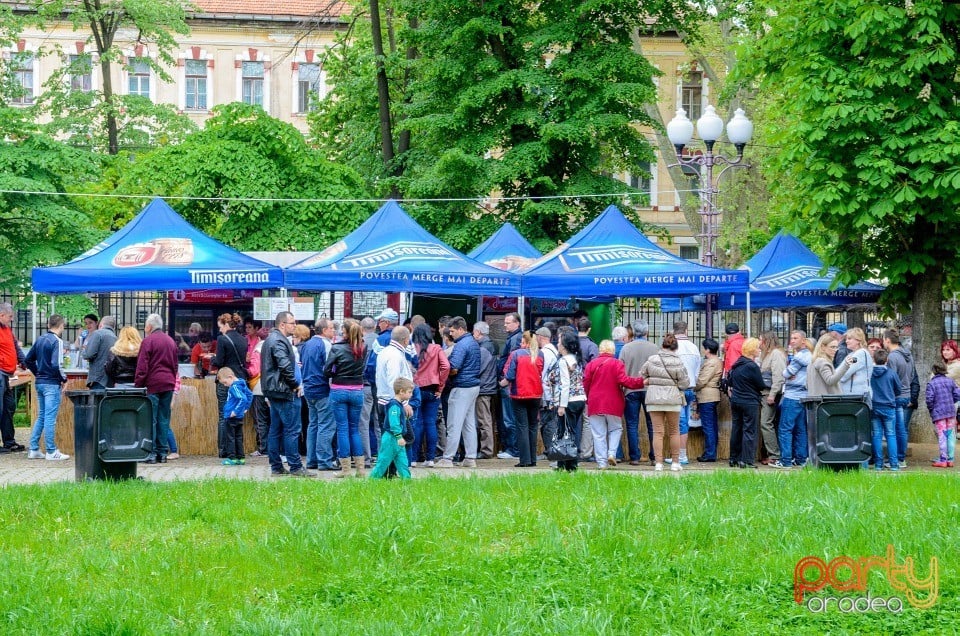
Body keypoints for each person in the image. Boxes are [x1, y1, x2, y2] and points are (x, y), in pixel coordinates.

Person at [583, 339, 644, 470]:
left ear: (600, 350)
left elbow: (586, 383)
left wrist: (588, 398)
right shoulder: (617, 364)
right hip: (613, 402)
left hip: (595, 402)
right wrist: (641, 381)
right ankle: (611, 453)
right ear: (613, 350)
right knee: (615, 429)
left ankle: (601, 463)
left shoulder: (591, 364)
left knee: (598, 434)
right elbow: (624, 381)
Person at [262, 311, 307, 477]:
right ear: (282, 324)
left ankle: (276, 466)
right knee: (292, 430)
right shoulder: (279, 341)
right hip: (284, 391)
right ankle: (295, 466)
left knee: (276, 429)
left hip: (274, 391)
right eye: (292, 323)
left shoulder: (271, 339)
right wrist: (295, 384)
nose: (294, 326)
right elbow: (285, 367)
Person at [640, 333, 690, 472]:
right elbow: (685, 383)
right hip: (673, 399)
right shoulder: (678, 361)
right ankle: (675, 463)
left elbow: (642, 375)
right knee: (674, 431)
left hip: (654, 398)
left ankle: (658, 463)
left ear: (662, 345)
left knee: (658, 432)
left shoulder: (652, 359)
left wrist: (652, 380)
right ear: (675, 348)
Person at [325, 319, 367, 478]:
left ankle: (346, 470)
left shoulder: (336, 348)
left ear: (346, 332)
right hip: (357, 390)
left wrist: (336, 372)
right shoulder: (363, 347)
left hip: (339, 390)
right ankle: (361, 470)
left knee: (342, 429)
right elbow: (363, 367)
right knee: (354, 429)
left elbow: (326, 370)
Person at [437, 317, 481, 468]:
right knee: (469, 423)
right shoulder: (473, 343)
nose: (451, 334)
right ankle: (470, 458)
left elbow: (453, 368)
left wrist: (442, 370)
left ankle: (447, 458)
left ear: (461, 329)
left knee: (454, 424)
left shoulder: (461, 345)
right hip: (474, 386)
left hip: (461, 387)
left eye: (453, 331)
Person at [135, 313, 178, 464]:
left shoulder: (148, 341)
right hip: (168, 384)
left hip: (152, 385)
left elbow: (142, 366)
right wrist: (171, 381)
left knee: (150, 419)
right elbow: (175, 365)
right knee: (164, 419)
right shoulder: (171, 341)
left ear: (149, 326)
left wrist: (138, 385)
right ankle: (162, 453)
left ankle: (151, 453)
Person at [24, 314, 69, 461]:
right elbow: (57, 364)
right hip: (51, 383)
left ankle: (34, 449)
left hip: (40, 383)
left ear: (48, 324)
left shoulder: (40, 339)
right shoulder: (57, 341)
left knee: (42, 416)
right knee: (50, 417)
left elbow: (27, 359)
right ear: (61, 325)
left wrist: (38, 372)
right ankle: (51, 451)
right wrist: (63, 379)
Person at [619, 319, 658, 465]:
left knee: (631, 424)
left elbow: (620, 370)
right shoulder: (654, 348)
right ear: (647, 332)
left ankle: (634, 457)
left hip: (630, 389)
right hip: (650, 389)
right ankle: (654, 456)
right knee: (652, 423)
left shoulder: (626, 348)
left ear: (633, 333)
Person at [502, 331, 544, 467]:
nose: (520, 344)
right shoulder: (540, 354)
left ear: (525, 342)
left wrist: (501, 383)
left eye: (521, 341)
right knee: (533, 426)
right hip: (536, 394)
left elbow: (510, 375)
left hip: (519, 393)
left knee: (522, 426)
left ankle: (524, 460)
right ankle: (532, 459)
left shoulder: (516, 354)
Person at [773, 330, 812, 470]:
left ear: (803, 340)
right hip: (804, 395)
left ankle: (786, 460)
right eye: (791, 337)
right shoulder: (810, 355)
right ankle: (801, 458)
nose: (792, 340)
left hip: (792, 395)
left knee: (785, 428)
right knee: (801, 429)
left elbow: (785, 373)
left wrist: (788, 373)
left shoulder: (799, 357)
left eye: (795, 338)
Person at [300, 317, 336, 471]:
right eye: (332, 328)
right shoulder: (326, 345)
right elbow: (329, 369)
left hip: (308, 388)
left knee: (312, 424)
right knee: (326, 425)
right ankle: (324, 460)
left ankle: (311, 459)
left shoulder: (306, 344)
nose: (334, 331)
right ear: (324, 330)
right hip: (323, 389)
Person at [412, 323, 448, 468]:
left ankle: (414, 458)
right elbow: (446, 366)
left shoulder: (413, 348)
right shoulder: (437, 348)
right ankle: (430, 459)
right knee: (430, 423)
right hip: (433, 389)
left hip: (416, 389)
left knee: (417, 423)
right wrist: (441, 385)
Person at [212, 313, 248, 459]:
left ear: (226, 325)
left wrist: (212, 358)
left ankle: (224, 450)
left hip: (226, 381)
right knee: (238, 417)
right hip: (240, 381)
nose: (220, 330)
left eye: (220, 326)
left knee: (224, 416)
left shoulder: (222, 339)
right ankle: (238, 451)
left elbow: (220, 361)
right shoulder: (243, 339)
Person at [728, 337, 765, 469]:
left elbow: (731, 381)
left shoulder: (737, 364)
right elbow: (760, 385)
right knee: (749, 430)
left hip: (736, 400)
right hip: (749, 401)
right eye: (758, 348)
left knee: (736, 429)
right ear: (752, 350)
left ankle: (734, 458)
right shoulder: (752, 366)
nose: (759, 350)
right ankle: (747, 460)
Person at [884, 329, 919, 469]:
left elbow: (891, 378)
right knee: (902, 428)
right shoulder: (908, 354)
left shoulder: (892, 357)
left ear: (887, 340)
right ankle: (901, 458)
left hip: (896, 395)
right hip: (906, 394)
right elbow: (911, 375)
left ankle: (897, 459)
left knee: (894, 429)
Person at [370, 377, 414, 479]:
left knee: (403, 461)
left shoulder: (399, 405)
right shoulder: (394, 406)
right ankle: (373, 479)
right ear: (401, 391)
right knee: (383, 461)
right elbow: (394, 423)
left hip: (398, 439)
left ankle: (407, 480)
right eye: (409, 392)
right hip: (391, 438)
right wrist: (399, 436)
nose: (411, 395)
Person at [555, 330, 586, 471]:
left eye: (559, 341)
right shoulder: (577, 359)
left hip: (569, 400)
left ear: (564, 345)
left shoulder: (563, 361)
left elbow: (564, 384)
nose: (557, 344)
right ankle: (570, 464)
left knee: (564, 432)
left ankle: (566, 465)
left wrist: (562, 405)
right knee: (572, 432)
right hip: (580, 398)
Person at [673, 321, 700, 466]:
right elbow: (697, 372)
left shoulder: (673, 347)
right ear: (686, 331)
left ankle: (680, 456)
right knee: (685, 422)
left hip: (677, 389)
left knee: (679, 422)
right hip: (690, 388)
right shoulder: (694, 347)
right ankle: (680, 454)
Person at [870, 349, 902, 472]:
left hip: (874, 406)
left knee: (877, 435)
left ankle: (878, 464)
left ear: (873, 359)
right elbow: (898, 389)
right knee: (891, 435)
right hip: (889, 406)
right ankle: (894, 464)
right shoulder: (892, 373)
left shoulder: (870, 373)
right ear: (887, 360)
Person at [496, 312, 523, 460]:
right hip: (509, 382)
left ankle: (513, 449)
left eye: (508, 323)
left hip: (509, 383)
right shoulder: (514, 338)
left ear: (516, 323)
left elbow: (512, 362)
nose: (505, 325)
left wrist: (505, 379)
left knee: (509, 418)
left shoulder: (515, 339)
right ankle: (512, 448)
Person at [757, 331, 786, 465]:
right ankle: (772, 453)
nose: (759, 343)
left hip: (770, 393)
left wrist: (773, 394)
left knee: (766, 422)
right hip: (766, 392)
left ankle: (774, 454)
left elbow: (778, 377)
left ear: (766, 341)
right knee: (769, 423)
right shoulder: (767, 354)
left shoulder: (776, 354)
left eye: (760, 340)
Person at [0, 303, 25, 453]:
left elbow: (15, 347)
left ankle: (9, 441)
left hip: (7, 373)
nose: (11, 319)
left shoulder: (7, 329)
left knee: (9, 407)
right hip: (1, 371)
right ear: (2, 315)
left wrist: (24, 362)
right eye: (10, 317)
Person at [926, 361, 960, 468]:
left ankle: (943, 460)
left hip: (939, 414)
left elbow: (929, 399)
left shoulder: (931, 383)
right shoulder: (950, 381)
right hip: (950, 412)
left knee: (942, 436)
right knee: (950, 436)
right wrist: (951, 402)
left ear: (934, 371)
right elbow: (957, 395)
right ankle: (950, 460)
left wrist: (932, 409)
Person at [217, 367, 252, 466]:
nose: (225, 385)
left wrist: (235, 411)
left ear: (230, 377)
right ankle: (240, 458)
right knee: (238, 437)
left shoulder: (234, 387)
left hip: (232, 416)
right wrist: (246, 408)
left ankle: (232, 457)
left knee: (230, 438)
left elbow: (243, 398)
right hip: (239, 417)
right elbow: (249, 395)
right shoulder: (242, 385)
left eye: (225, 382)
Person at [695, 338, 722, 462]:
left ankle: (710, 454)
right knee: (711, 425)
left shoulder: (712, 362)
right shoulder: (715, 361)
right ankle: (710, 452)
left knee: (708, 426)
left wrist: (692, 386)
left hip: (707, 396)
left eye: (703, 347)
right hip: (710, 396)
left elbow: (702, 380)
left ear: (707, 350)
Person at [535, 326, 560, 460]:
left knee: (547, 422)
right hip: (553, 392)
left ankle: (549, 451)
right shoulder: (554, 350)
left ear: (541, 337)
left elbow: (541, 373)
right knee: (550, 421)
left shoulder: (544, 352)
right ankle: (549, 450)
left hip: (547, 393)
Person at [248, 327, 271, 457]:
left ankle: (263, 448)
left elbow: (254, 370)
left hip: (258, 388)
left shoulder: (257, 350)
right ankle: (273, 448)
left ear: (258, 338)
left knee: (260, 419)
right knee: (271, 420)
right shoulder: (273, 347)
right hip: (272, 388)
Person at [475, 344, 498, 460]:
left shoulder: (483, 350)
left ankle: (486, 451)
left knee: (484, 421)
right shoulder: (488, 348)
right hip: (487, 387)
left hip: (483, 389)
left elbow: (477, 369)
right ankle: (485, 449)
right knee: (485, 420)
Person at [82, 315, 117, 389]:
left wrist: (84, 351)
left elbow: (88, 355)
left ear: (101, 324)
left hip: (97, 379)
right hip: (109, 380)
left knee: (96, 400)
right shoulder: (115, 338)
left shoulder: (98, 333)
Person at [839, 327, 873, 402]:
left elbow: (842, 376)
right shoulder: (852, 354)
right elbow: (839, 373)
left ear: (858, 340)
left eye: (849, 338)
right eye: (846, 339)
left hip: (858, 396)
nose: (846, 341)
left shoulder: (859, 354)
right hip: (854, 396)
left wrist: (841, 374)